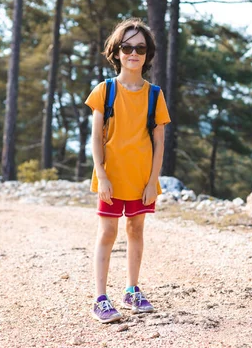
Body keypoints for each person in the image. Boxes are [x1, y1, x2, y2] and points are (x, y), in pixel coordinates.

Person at [84, 18, 171, 323]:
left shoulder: (154, 95)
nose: (133, 52)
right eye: (127, 47)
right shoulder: (104, 91)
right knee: (107, 232)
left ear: (148, 55)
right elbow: (96, 138)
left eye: (140, 48)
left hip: (141, 180)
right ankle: (100, 298)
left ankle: (132, 289)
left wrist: (152, 181)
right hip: (111, 177)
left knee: (136, 230)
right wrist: (102, 175)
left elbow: (159, 143)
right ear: (117, 51)